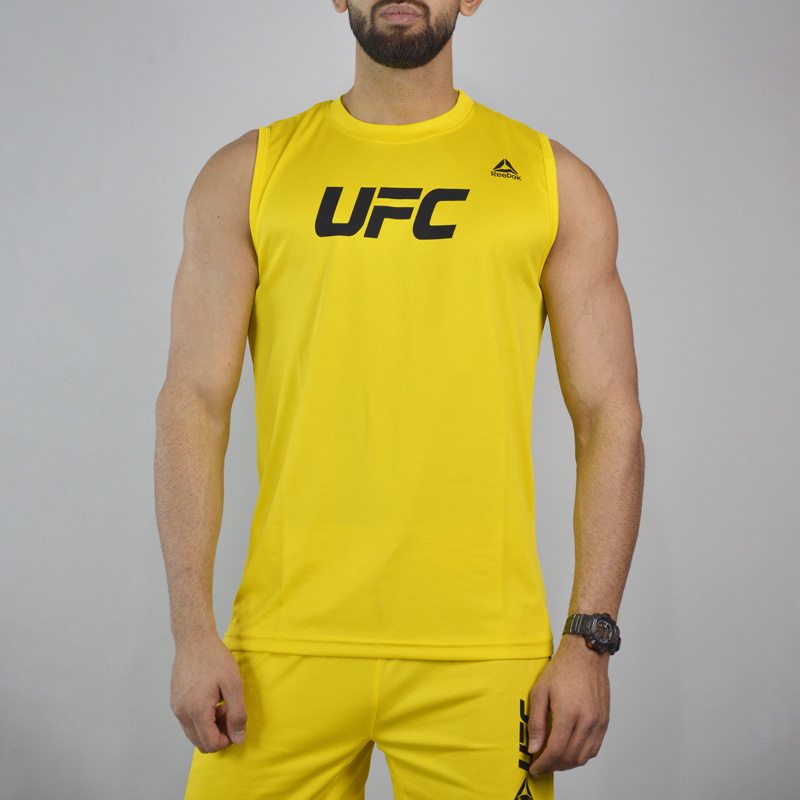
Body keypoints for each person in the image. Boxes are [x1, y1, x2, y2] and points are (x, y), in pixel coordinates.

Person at [154, 1, 645, 798]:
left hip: (483, 654)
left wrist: (588, 643)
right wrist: (190, 630)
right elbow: (193, 403)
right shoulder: (247, 176)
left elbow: (609, 417)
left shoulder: (555, 184)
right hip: (282, 650)